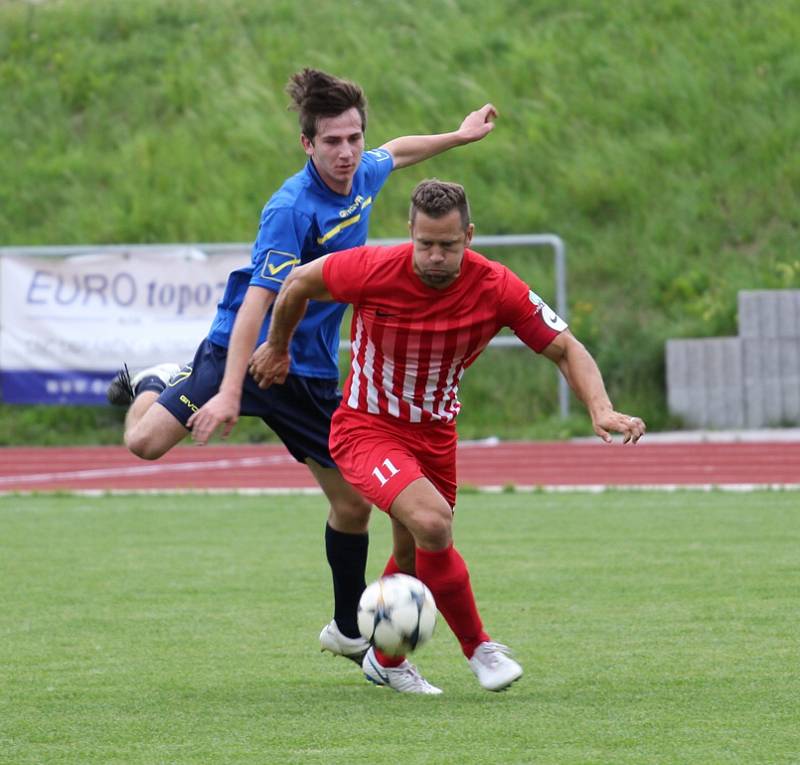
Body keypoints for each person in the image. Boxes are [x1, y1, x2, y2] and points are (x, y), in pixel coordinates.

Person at [106, 69, 498, 668]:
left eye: (354, 138)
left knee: (352, 505)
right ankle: (156, 381)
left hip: (309, 373)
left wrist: (460, 135)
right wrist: (231, 391)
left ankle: (347, 629)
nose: (347, 153)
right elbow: (256, 308)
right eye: (332, 142)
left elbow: (401, 151)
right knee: (144, 443)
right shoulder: (290, 209)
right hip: (246, 353)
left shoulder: (365, 172)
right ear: (306, 145)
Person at [248, 179, 646, 694]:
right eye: (425, 244)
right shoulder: (372, 268)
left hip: (436, 435)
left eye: (448, 246)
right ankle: (479, 648)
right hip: (366, 428)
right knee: (434, 523)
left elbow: (566, 348)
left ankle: (387, 662)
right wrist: (278, 347)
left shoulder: (496, 286)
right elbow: (298, 281)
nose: (435, 256)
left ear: (470, 237)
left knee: (414, 554)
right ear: (409, 232)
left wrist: (602, 408)